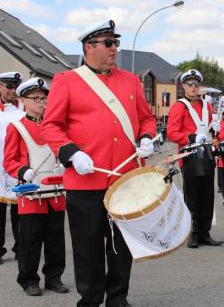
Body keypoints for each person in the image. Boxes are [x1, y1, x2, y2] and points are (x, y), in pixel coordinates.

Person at [41, 20, 157, 307]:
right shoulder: (67, 80)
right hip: (85, 181)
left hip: (124, 180)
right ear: (88, 47)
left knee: (121, 247)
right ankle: (90, 301)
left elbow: (146, 118)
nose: (114, 49)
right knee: (88, 248)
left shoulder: (130, 80)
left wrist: (146, 137)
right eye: (108, 43)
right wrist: (71, 153)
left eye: (115, 43)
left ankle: (118, 299)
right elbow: (51, 126)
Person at [4, 78, 68, 296]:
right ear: (23, 100)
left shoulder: (55, 127)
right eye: (36, 99)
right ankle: (28, 279)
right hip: (31, 194)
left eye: (44, 98)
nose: (42, 103)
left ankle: (54, 277)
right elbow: (9, 161)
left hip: (56, 192)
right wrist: (23, 172)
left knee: (56, 240)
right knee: (30, 240)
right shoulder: (17, 127)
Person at [166, 69, 223, 249]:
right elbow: (172, 133)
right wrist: (191, 138)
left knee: (207, 197)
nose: (193, 87)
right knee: (192, 197)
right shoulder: (179, 106)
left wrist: (216, 129)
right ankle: (193, 233)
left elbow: (210, 132)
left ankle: (205, 233)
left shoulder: (206, 105)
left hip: (206, 154)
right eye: (190, 84)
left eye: (196, 84)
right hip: (190, 156)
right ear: (183, 86)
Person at [0, 71, 24, 265]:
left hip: (17, 165)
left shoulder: (24, 109)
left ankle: (21, 248)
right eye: (8, 86)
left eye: (16, 87)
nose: (12, 91)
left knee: (20, 212)